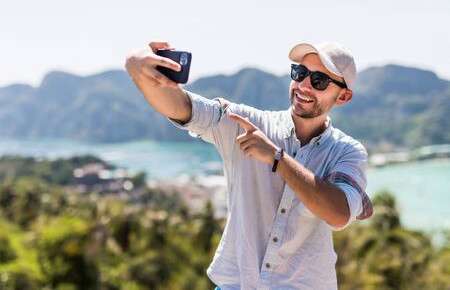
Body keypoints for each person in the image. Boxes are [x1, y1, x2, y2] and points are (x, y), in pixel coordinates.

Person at [125, 40, 373, 289]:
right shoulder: (247, 123)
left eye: (319, 80)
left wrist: (278, 158)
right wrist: (139, 68)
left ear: (343, 96)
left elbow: (339, 214)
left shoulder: (348, 152)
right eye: (300, 73)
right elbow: (183, 108)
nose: (304, 85)